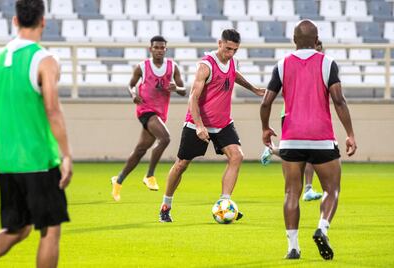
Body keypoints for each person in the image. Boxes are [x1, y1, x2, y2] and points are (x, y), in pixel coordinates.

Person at [260, 20, 357, 260]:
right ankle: (322, 228)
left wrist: (265, 128)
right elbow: (339, 100)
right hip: (322, 139)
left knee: (291, 193)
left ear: (294, 40)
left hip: (291, 139)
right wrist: (350, 133)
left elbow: (266, 102)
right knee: (331, 189)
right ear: (317, 40)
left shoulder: (282, 64)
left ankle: (293, 247)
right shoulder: (327, 63)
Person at [0, 0, 73, 266]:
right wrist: (66, 155)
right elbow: (52, 110)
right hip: (38, 160)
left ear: (15, 21)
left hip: (7, 162)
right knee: (50, 229)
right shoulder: (45, 60)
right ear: (43, 22)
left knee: (18, 229)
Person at [159, 29, 265, 222]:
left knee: (237, 156)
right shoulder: (205, 66)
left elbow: (234, 74)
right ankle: (166, 205)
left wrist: (254, 88)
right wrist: (199, 126)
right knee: (181, 164)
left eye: (235, 50)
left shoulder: (232, 61)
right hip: (197, 123)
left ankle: (225, 203)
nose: (230, 53)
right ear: (219, 43)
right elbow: (193, 97)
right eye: (227, 48)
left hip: (223, 123)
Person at [111, 36, 186, 201]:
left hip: (160, 114)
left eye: (162, 48)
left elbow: (183, 90)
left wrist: (176, 88)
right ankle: (149, 175)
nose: (159, 50)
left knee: (140, 150)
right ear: (150, 49)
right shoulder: (142, 67)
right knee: (165, 138)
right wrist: (133, 94)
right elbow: (131, 84)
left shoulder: (172, 67)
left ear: (166, 49)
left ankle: (118, 180)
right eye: (156, 47)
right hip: (145, 109)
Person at [260, 40, 325, 202]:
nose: (316, 52)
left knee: (310, 152)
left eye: (319, 49)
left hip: (312, 115)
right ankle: (274, 152)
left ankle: (308, 188)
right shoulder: (294, 65)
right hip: (291, 114)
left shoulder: (322, 65)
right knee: (296, 152)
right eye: (315, 48)